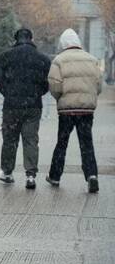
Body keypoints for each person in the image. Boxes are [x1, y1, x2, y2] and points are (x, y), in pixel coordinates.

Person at [46, 28, 102, 193]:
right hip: (86, 110)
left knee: (62, 143)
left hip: (66, 111)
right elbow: (98, 85)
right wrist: (88, 97)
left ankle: (55, 176)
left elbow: (54, 85)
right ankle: (92, 175)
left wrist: (61, 98)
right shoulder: (92, 59)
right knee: (87, 144)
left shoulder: (59, 61)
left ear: (63, 44)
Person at [0, 28, 51, 189]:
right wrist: (38, 93)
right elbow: (48, 81)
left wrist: (8, 92)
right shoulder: (42, 59)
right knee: (31, 139)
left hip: (12, 105)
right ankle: (31, 175)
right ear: (31, 38)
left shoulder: (6, 57)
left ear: (16, 39)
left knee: (10, 140)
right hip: (33, 105)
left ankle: (7, 172)